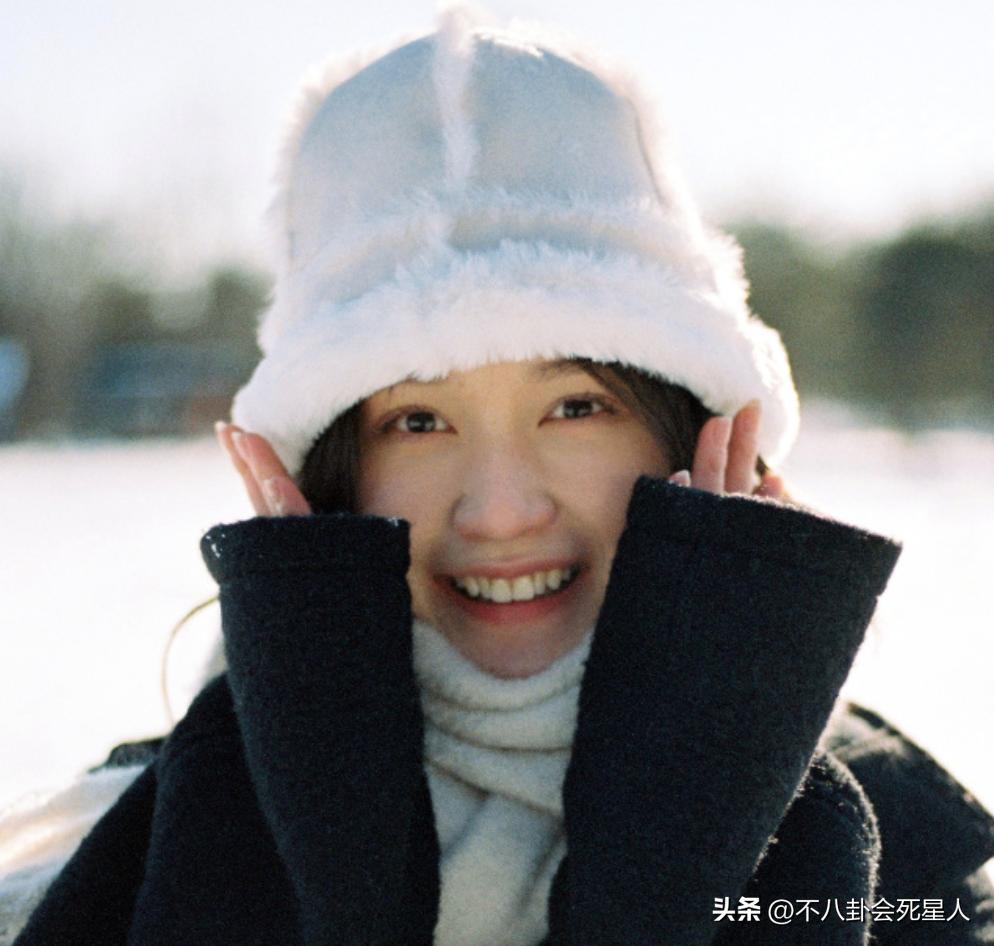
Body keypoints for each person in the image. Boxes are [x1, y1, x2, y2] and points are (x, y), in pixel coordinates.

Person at [3, 10, 993, 945]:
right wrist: (325, 846)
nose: (502, 510)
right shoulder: (137, 859)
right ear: (321, 472)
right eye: (417, 421)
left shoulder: (910, 867)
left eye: (576, 407)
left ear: (696, 431)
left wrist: (684, 839)